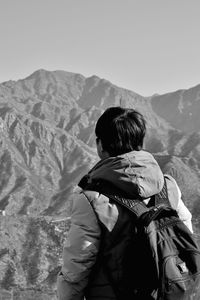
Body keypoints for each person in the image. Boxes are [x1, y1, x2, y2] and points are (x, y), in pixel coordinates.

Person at [57, 106, 193, 300]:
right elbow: (185, 235)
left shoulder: (90, 199)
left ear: (100, 145)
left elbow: (77, 266)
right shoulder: (168, 186)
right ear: (140, 142)